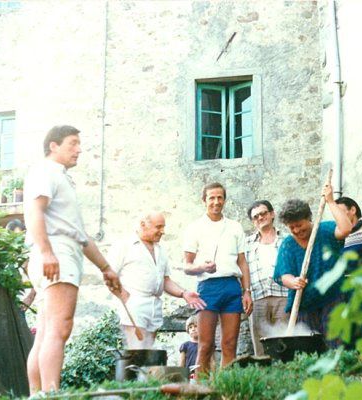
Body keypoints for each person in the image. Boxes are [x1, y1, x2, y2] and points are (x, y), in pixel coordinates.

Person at [24, 125, 122, 394]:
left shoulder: (61, 177)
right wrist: (46, 252)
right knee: (60, 327)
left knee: (45, 332)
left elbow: (81, 235)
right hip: (55, 251)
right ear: (53, 146)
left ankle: (38, 396)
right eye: (73, 143)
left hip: (59, 250)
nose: (79, 149)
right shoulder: (45, 170)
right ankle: (51, 394)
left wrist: (106, 268)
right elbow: (35, 212)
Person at [183, 182, 253, 375]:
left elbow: (242, 262)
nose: (216, 202)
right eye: (211, 198)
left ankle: (225, 390)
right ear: (204, 200)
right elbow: (187, 266)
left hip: (231, 287)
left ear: (224, 200)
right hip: (207, 288)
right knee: (205, 345)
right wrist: (202, 267)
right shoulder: (194, 228)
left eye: (219, 197)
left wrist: (246, 291)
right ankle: (200, 391)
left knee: (230, 344)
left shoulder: (235, 226)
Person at [109, 212, 206, 349]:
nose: (162, 231)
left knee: (147, 352)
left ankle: (142, 370)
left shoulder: (160, 250)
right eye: (158, 227)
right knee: (137, 350)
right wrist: (125, 297)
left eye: (163, 227)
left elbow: (165, 281)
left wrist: (184, 293)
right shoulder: (124, 246)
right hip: (134, 304)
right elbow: (109, 275)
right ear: (143, 225)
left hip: (154, 305)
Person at [273, 184, 351, 344]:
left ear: (309, 218)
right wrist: (293, 282)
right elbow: (283, 275)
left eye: (299, 225)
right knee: (308, 347)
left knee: (336, 343)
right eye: (291, 227)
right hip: (304, 304)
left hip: (333, 296)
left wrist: (330, 201)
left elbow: (346, 229)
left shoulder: (325, 230)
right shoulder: (288, 244)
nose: (296, 230)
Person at [245, 200, 288, 357]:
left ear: (272, 214)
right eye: (256, 216)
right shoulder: (246, 243)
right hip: (258, 298)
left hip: (282, 296)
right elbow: (243, 270)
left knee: (284, 343)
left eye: (263, 213)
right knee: (260, 345)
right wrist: (246, 292)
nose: (260, 217)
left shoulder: (286, 239)